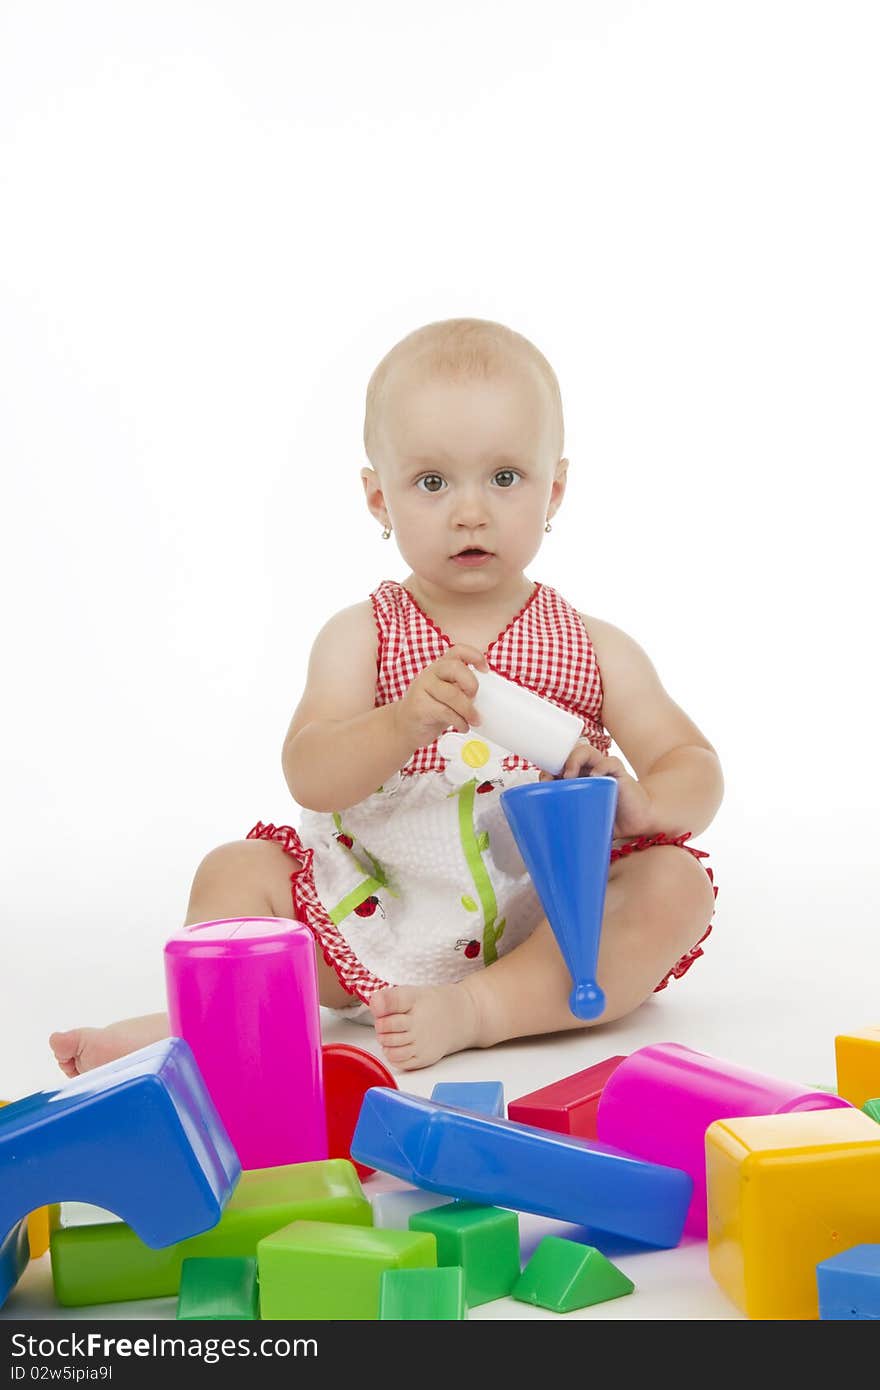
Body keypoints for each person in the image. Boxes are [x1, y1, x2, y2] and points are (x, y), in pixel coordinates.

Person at [50, 317, 722, 1077]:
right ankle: (201, 1022)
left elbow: (691, 762)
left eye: (505, 478)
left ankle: (485, 1009)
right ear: (379, 500)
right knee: (234, 868)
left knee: (676, 883)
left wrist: (645, 804)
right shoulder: (362, 636)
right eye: (432, 483)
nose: (471, 512)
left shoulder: (593, 645)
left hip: (553, 918)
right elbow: (310, 771)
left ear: (553, 489)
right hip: (374, 910)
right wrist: (401, 722)